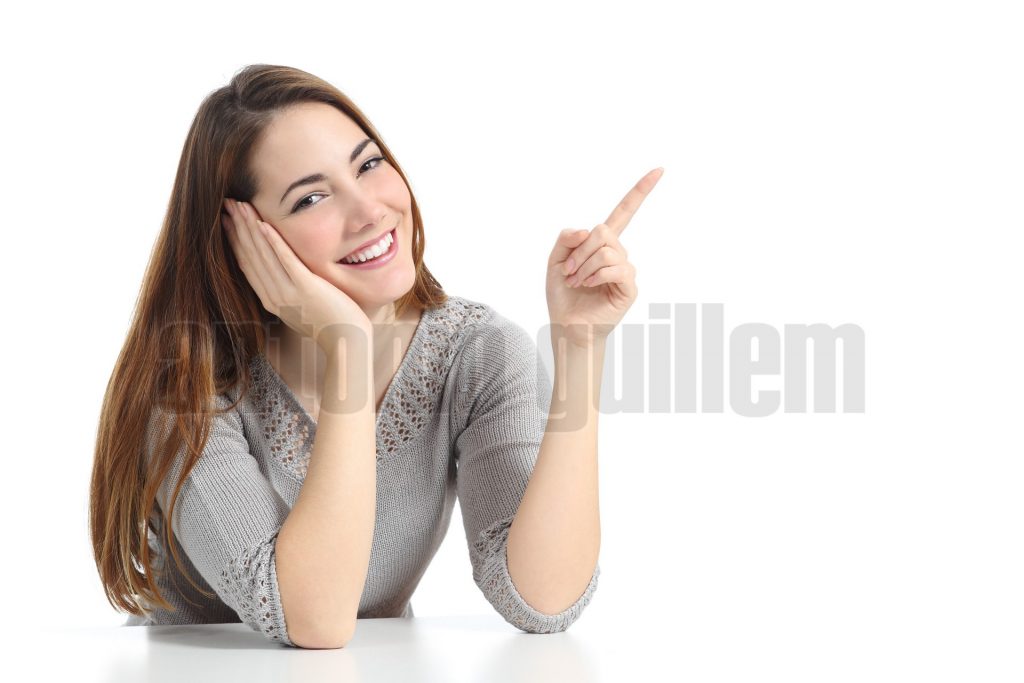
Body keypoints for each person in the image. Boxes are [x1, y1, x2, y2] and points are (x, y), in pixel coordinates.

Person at [88, 63, 662, 649]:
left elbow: (544, 601)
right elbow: (313, 620)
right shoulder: (189, 384)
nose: (369, 212)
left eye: (367, 164)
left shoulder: (476, 353)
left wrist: (581, 347)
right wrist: (347, 348)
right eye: (311, 197)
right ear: (242, 238)